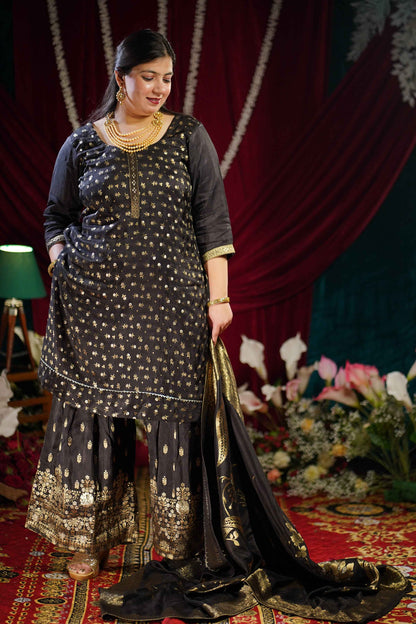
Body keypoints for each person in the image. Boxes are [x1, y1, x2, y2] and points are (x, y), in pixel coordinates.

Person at [26, 29, 410, 622]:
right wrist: (61, 258)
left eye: (166, 78)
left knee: (176, 420)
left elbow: (212, 220)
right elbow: (56, 214)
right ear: (120, 78)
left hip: (173, 306)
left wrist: (220, 297)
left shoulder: (188, 136)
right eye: (148, 76)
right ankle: (87, 538)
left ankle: (180, 541)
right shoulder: (81, 144)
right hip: (95, 305)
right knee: (94, 418)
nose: (159, 88)